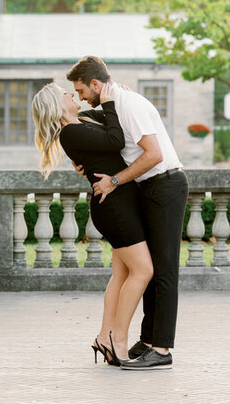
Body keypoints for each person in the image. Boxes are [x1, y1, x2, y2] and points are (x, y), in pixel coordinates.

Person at [67, 55, 189, 371]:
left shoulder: (128, 105)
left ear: (95, 84)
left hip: (164, 185)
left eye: (81, 90)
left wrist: (115, 181)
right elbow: (100, 143)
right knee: (148, 269)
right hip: (146, 189)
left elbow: (154, 154)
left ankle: (161, 348)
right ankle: (148, 341)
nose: (79, 97)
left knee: (162, 269)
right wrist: (81, 163)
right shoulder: (113, 104)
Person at [31, 82, 154, 365]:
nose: (72, 95)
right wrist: (110, 106)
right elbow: (116, 140)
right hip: (113, 207)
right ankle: (117, 340)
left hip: (120, 201)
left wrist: (118, 95)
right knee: (143, 271)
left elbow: (113, 121)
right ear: (57, 105)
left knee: (122, 275)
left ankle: (104, 337)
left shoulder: (82, 121)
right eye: (65, 93)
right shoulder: (70, 132)